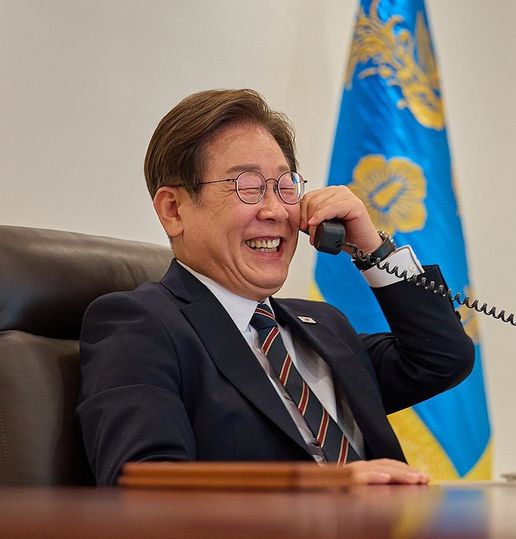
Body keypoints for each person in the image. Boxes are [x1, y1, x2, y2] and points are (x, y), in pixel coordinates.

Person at [77, 89, 474, 487]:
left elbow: (442, 358)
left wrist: (373, 248)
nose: (276, 211)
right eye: (248, 187)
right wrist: (323, 488)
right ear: (173, 210)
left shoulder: (322, 324)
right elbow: (144, 485)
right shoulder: (141, 324)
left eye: (285, 187)